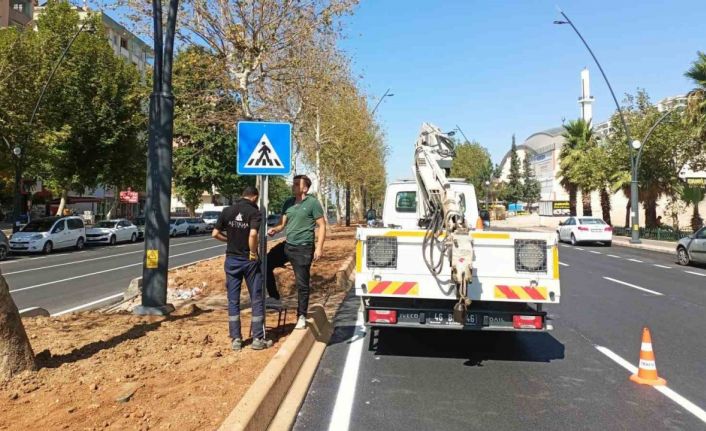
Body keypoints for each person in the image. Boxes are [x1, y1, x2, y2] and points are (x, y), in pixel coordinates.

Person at [212, 186, 272, 351]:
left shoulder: (227, 211)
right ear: (254, 197)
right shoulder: (254, 212)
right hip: (248, 261)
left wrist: (229, 241)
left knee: (233, 300)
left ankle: (236, 339)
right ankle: (258, 339)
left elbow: (215, 234)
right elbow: (253, 235)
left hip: (231, 260)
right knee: (256, 298)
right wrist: (253, 252)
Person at [266, 174, 326, 330]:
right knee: (265, 262)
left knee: (302, 284)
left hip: (304, 248)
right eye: (293, 184)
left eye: (296, 184)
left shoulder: (312, 203)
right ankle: (274, 297)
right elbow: (282, 224)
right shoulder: (288, 203)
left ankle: (301, 316)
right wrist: (276, 229)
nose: (292, 186)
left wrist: (319, 247)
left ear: (305, 188)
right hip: (288, 245)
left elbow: (322, 225)